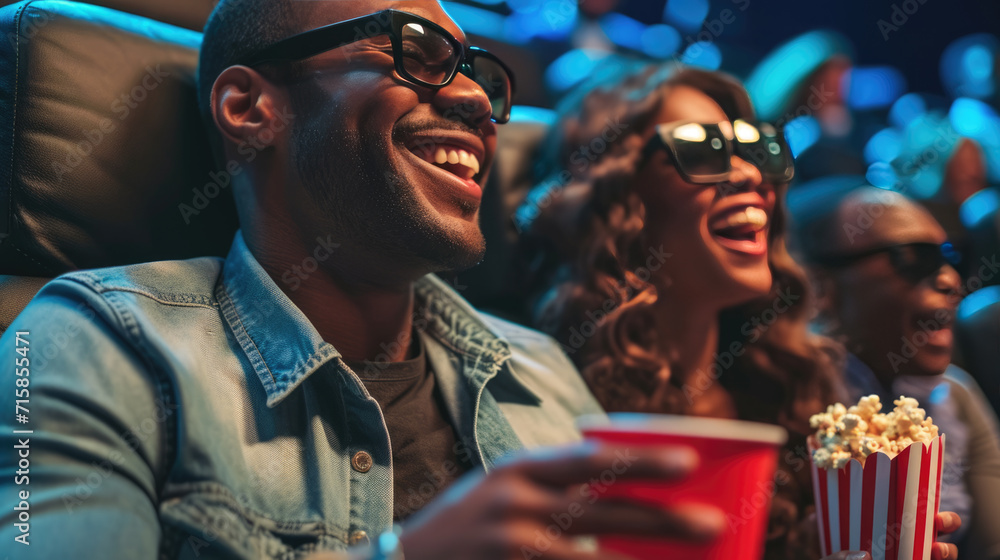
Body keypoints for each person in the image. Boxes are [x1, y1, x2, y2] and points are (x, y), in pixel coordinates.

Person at [0, 1, 736, 558]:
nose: (479, 103)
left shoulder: (540, 370)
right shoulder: (91, 346)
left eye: (480, 75)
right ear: (248, 108)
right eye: (415, 53)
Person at [520, 63, 962, 559]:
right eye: (699, 149)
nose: (750, 173)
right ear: (615, 190)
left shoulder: (799, 385)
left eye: (755, 151)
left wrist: (822, 547)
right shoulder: (544, 397)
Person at [794, 185, 1000, 560]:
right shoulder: (782, 398)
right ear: (821, 288)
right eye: (912, 258)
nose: (950, 280)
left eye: (950, 257)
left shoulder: (955, 395)